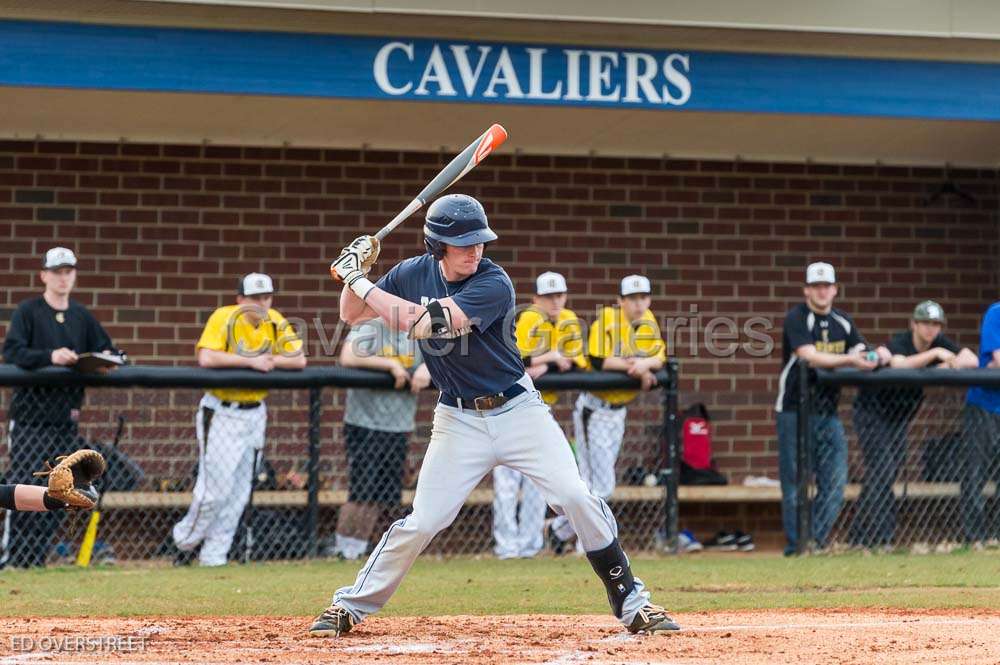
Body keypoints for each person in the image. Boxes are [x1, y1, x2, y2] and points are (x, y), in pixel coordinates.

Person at [313, 193, 678, 637]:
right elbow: (351, 313)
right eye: (463, 243)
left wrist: (360, 279)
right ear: (436, 246)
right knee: (425, 518)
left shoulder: (494, 282)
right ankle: (349, 605)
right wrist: (358, 274)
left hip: (517, 409)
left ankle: (632, 602)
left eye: (479, 240)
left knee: (575, 495)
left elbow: (427, 324)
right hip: (458, 418)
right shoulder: (411, 272)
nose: (475, 249)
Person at [171, 273, 306, 567]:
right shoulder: (225, 317)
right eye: (255, 298)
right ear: (240, 299)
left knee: (239, 492)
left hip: (255, 413)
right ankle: (183, 542)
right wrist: (251, 361)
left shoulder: (274, 319)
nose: (261, 304)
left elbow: (299, 359)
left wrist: (272, 360)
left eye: (266, 297)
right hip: (222, 411)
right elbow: (207, 357)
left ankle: (214, 556)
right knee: (214, 491)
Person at [1, 247, 121, 569]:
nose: (63, 277)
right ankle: (15, 558)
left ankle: (37, 560)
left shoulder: (81, 316)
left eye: (68, 271)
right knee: (25, 481)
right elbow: (12, 352)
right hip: (29, 419)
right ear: (44, 275)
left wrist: (104, 362)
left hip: (65, 419)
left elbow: (109, 349)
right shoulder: (29, 311)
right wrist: (50, 357)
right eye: (57, 271)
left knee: (61, 487)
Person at [775, 262, 888, 556]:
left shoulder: (843, 322)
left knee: (835, 481)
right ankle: (796, 546)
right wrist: (851, 359)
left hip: (828, 413)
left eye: (827, 286)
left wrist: (875, 356)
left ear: (835, 289)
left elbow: (865, 351)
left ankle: (816, 541)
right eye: (816, 286)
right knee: (795, 483)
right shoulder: (797, 317)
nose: (822, 291)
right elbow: (809, 356)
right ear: (807, 290)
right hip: (793, 410)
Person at [548, 274, 666, 555]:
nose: (639, 304)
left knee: (595, 484)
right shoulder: (608, 320)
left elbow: (660, 355)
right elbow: (599, 359)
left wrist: (644, 364)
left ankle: (559, 530)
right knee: (600, 484)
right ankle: (588, 544)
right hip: (595, 409)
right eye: (633, 299)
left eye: (643, 297)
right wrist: (633, 367)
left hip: (618, 412)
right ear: (620, 301)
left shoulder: (648, 320)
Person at [849, 301, 976, 548]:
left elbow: (970, 359)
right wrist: (936, 356)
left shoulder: (941, 343)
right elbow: (898, 363)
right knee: (883, 470)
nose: (931, 330)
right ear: (914, 324)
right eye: (926, 323)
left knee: (886, 472)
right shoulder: (903, 341)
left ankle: (860, 538)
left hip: (899, 419)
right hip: (872, 412)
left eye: (936, 324)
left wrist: (947, 362)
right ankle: (879, 538)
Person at [493, 271, 587, 559]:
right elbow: (517, 359)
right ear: (536, 299)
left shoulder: (569, 319)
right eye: (548, 296)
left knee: (536, 482)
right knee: (507, 481)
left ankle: (531, 544)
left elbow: (579, 360)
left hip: (537, 411)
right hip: (506, 407)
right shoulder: (530, 317)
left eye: (559, 295)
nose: (555, 301)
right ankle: (507, 547)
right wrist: (551, 357)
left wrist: (546, 364)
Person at [332, 318, 431, 560]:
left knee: (380, 494)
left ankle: (356, 549)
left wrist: (426, 368)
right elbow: (348, 356)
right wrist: (389, 365)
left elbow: (444, 358)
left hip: (399, 425)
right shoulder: (372, 325)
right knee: (361, 492)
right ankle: (342, 549)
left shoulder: (420, 329)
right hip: (364, 423)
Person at [961, 299, 1000, 545]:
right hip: (983, 404)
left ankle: (997, 535)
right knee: (975, 472)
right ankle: (975, 537)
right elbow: (998, 361)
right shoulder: (996, 313)